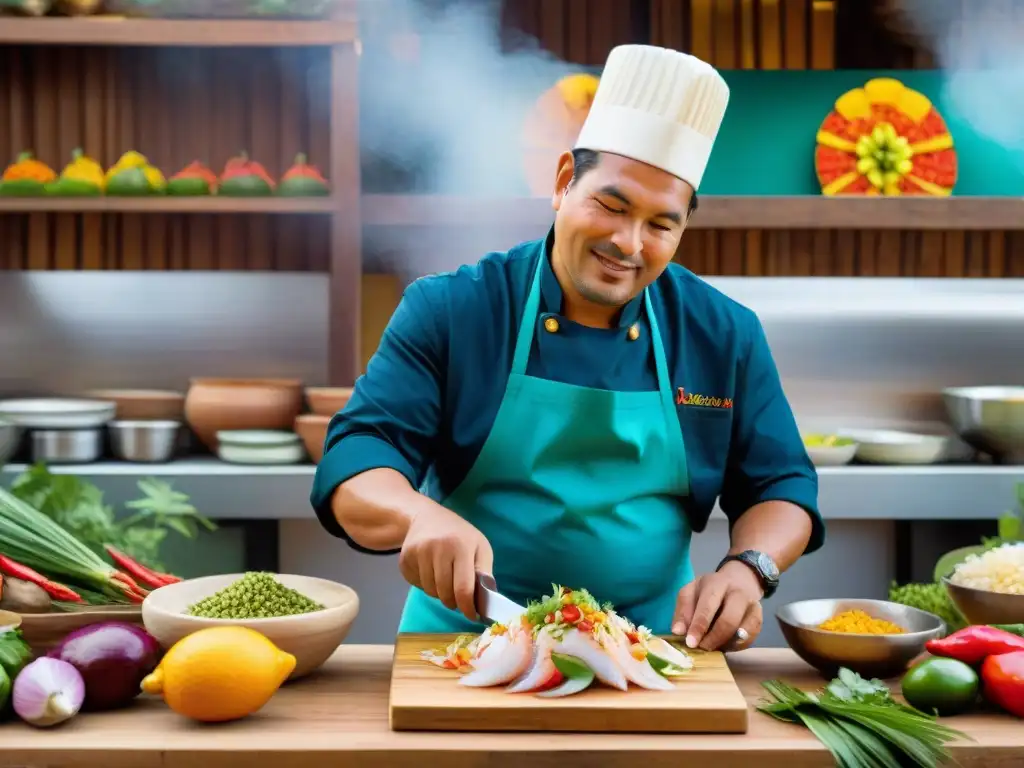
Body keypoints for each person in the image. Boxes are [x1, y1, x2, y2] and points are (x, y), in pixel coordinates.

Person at [310, 45, 824, 651]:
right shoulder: (454, 309)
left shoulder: (723, 332)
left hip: (652, 652)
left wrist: (749, 569)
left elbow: (781, 485)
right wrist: (417, 515)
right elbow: (357, 456)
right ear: (562, 183)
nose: (628, 243)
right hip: (465, 649)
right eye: (611, 205)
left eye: (661, 225)